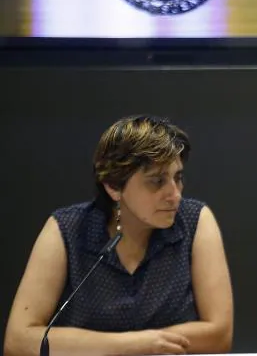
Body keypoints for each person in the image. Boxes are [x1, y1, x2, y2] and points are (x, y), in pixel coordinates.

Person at [4, 115, 233, 356]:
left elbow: (219, 335)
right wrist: (135, 345)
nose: (174, 194)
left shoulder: (194, 220)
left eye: (178, 178)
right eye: (157, 181)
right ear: (113, 186)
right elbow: (19, 341)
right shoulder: (67, 229)